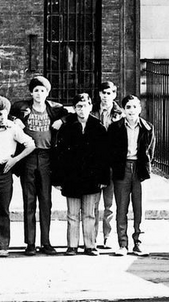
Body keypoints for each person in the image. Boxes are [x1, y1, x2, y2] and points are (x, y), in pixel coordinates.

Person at [10, 75, 68, 256]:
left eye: (42, 91)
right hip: (28, 157)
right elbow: (8, 112)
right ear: (31, 92)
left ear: (47, 93)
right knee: (29, 201)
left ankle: (46, 241)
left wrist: (62, 121)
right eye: (36, 90)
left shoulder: (54, 109)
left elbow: (70, 114)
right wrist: (15, 119)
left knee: (45, 201)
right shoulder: (22, 108)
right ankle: (30, 243)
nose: (39, 94)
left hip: (46, 158)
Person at [0, 96, 35, 258]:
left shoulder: (12, 128)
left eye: (4, 114)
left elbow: (30, 144)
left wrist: (15, 160)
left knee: (3, 210)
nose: (2, 118)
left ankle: (2, 245)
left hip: (4, 172)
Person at [52, 93, 108, 256]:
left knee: (90, 213)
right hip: (72, 177)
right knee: (72, 213)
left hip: (92, 178)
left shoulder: (98, 127)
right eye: (78, 106)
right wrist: (58, 178)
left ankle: (90, 245)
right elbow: (59, 154)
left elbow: (104, 156)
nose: (82, 110)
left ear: (90, 107)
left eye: (85, 106)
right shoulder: (67, 127)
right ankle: (72, 245)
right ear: (74, 108)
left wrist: (103, 178)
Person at [108, 95, 156, 257]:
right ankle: (123, 244)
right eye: (128, 107)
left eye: (135, 107)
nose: (131, 110)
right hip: (122, 169)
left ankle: (139, 242)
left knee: (139, 207)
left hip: (140, 170)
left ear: (140, 109)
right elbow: (111, 151)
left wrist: (145, 166)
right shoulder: (116, 128)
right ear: (123, 110)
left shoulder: (147, 128)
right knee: (121, 207)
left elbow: (151, 151)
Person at [90, 81, 123, 249]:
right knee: (93, 204)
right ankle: (92, 237)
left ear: (114, 95)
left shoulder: (120, 114)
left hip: (111, 164)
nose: (105, 96)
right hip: (95, 164)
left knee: (109, 205)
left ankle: (107, 236)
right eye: (103, 93)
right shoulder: (92, 111)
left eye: (109, 93)